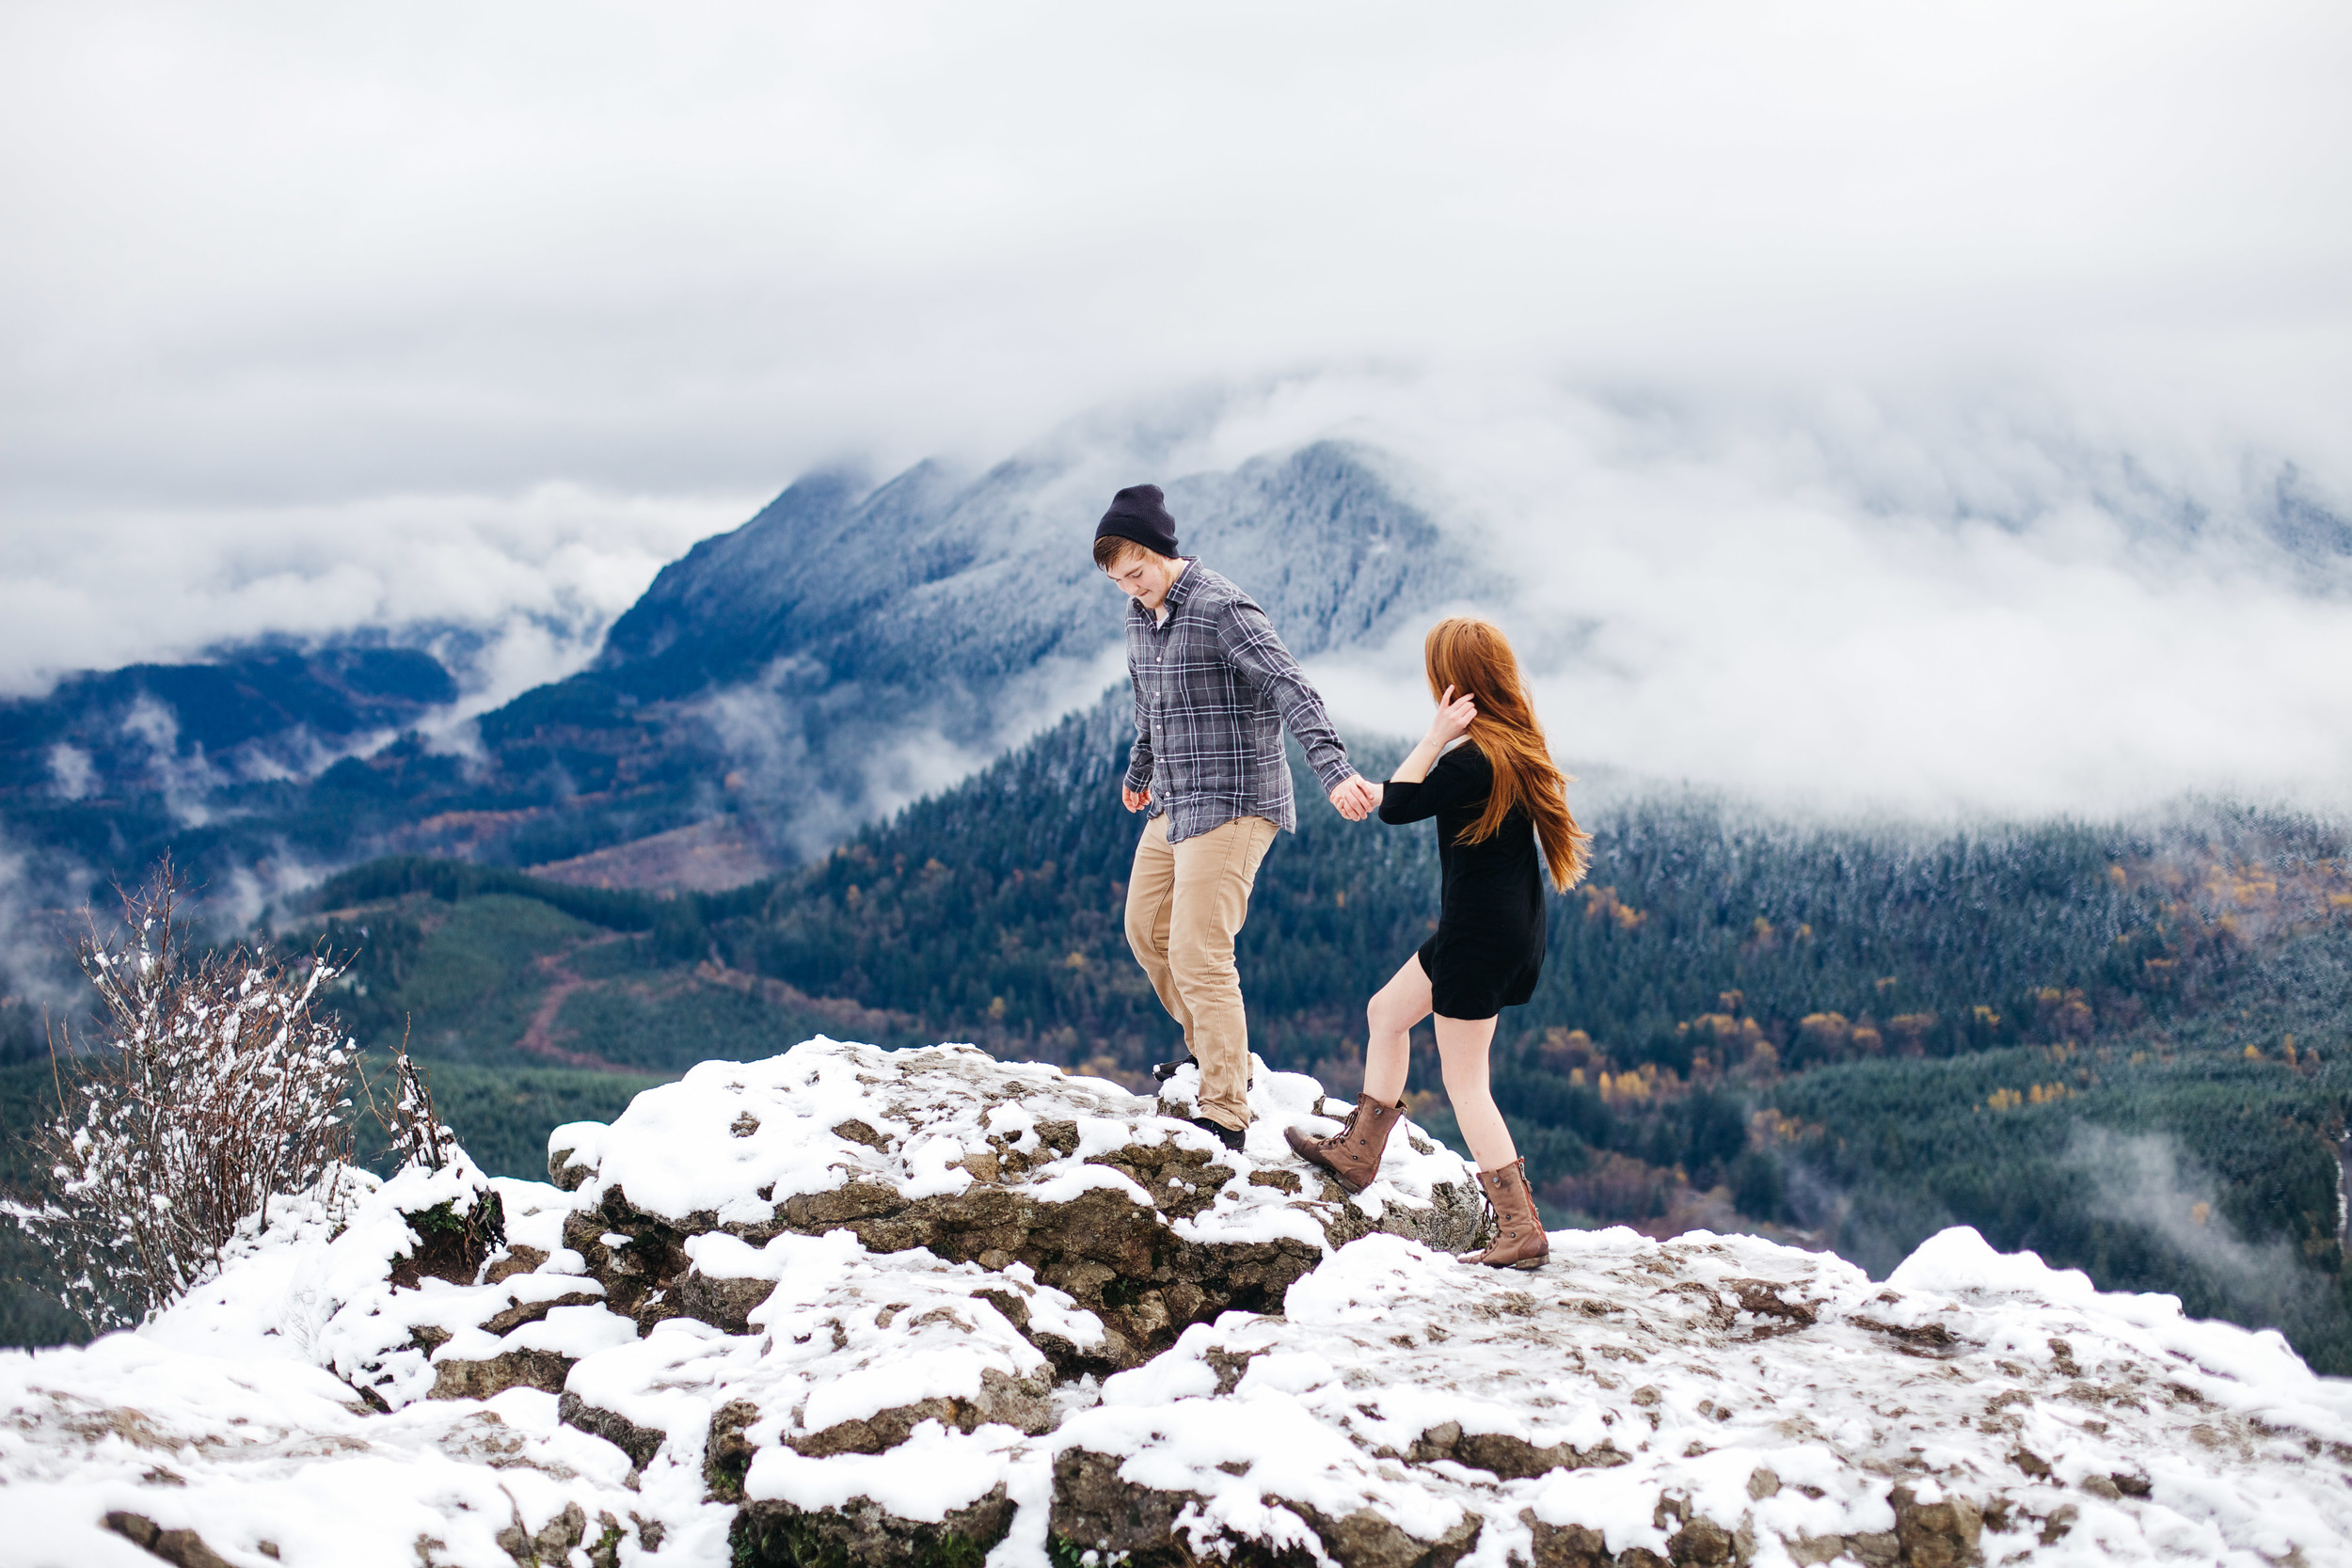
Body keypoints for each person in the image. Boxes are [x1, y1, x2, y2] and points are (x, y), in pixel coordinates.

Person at [1286, 616, 1589, 1268]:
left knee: (1467, 1081)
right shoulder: (1510, 744)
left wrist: (1435, 734)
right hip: (1493, 929)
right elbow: (1404, 794)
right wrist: (1394, 777)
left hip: (1477, 937)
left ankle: (1518, 1227)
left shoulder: (1472, 756)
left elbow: (1398, 806)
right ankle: (1359, 1153)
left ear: (1455, 684)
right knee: (1386, 1013)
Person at [1095, 483, 1382, 1150]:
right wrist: (1139, 772)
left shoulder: (1223, 607)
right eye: (1117, 581)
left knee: (1200, 949)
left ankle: (1225, 1108)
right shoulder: (1141, 616)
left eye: (1136, 573)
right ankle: (1210, 1051)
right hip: (1174, 797)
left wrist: (1334, 772)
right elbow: (1152, 706)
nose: (1130, 590)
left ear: (1162, 550)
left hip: (1236, 800)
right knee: (1146, 930)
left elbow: (1292, 686)